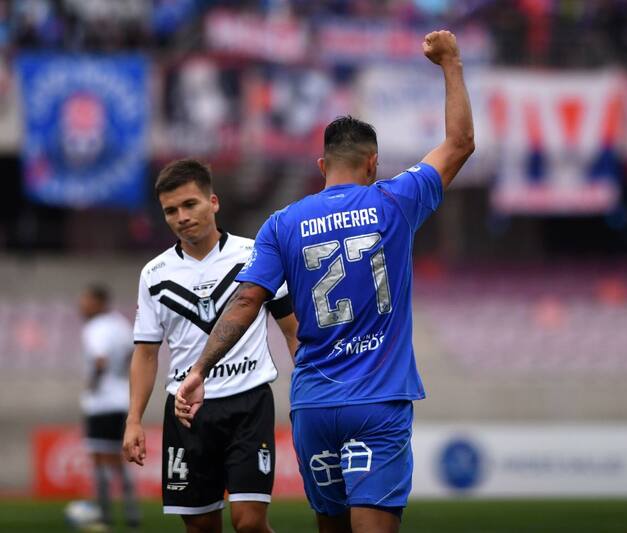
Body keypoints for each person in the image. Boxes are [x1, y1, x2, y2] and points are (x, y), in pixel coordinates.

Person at [176, 30, 474, 533]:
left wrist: (200, 369)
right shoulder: (394, 201)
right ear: (373, 163)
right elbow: (460, 144)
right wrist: (450, 63)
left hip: (314, 403)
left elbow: (246, 302)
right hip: (377, 400)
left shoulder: (282, 223)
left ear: (322, 166)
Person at [123, 159, 299, 533]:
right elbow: (146, 352)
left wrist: (309, 390)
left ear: (213, 202)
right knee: (201, 527)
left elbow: (292, 330)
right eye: (171, 210)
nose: (181, 217)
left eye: (190, 204)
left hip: (249, 403)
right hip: (187, 413)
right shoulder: (154, 274)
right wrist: (134, 419)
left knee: (249, 523)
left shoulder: (255, 255)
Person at [79, 283, 141, 531]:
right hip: (121, 398)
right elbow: (131, 354)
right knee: (118, 458)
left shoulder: (96, 327)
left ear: (98, 301)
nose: (82, 305)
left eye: (86, 300)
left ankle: (104, 515)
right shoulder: (120, 324)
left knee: (100, 458)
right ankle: (132, 511)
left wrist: (93, 385)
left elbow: (100, 360)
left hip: (101, 402)